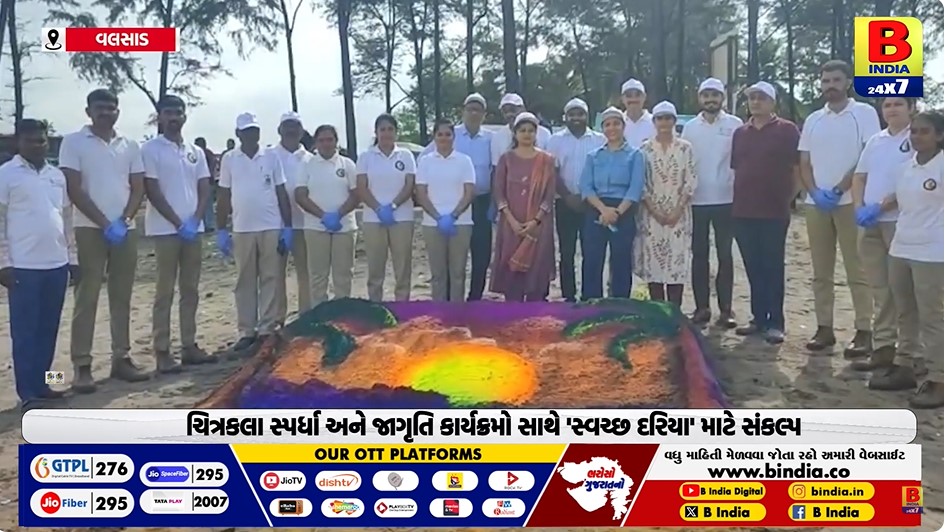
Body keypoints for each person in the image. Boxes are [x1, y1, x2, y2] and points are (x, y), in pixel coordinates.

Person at [58, 88, 149, 392]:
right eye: (100, 108)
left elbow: (137, 188)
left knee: (121, 295)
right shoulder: (73, 143)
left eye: (111, 108)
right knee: (87, 297)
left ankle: (121, 358)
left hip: (125, 230)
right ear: (89, 111)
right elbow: (74, 188)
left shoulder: (130, 145)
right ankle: (82, 365)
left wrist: (124, 220)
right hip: (89, 229)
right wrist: (103, 222)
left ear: (117, 112)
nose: (106, 112)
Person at [798, 60, 881, 356]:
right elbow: (804, 161)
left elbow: (866, 157)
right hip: (816, 204)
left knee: (857, 269)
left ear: (847, 83)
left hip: (849, 202)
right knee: (820, 271)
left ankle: (864, 330)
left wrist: (837, 189)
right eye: (825, 81)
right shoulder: (813, 120)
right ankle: (824, 328)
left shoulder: (864, 114)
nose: (830, 86)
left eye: (835, 80)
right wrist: (814, 192)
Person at [868, 111, 944, 408]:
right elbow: (897, 199)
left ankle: (939, 378)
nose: (916, 136)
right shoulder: (906, 168)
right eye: (913, 131)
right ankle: (904, 366)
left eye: (924, 132)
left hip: (934, 252)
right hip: (901, 247)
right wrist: (875, 207)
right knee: (905, 312)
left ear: (939, 136)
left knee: (933, 317)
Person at [0, 119, 77, 410]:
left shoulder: (56, 176)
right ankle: (27, 392)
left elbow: (66, 218)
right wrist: (3, 263)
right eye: (31, 140)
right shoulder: (6, 175)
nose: (38, 145)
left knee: (49, 329)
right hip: (23, 266)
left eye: (42, 140)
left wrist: (73, 258)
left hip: (56, 264)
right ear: (18, 142)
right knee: (25, 332)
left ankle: (45, 384)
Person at [142, 95, 217, 371]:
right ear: (160, 117)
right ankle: (162, 351)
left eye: (178, 112)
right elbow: (152, 189)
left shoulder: (194, 151)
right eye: (168, 113)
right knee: (164, 291)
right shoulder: (150, 149)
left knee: (190, 289)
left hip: (192, 230)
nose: (174, 117)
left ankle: (189, 345)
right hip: (164, 230)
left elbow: (205, 186)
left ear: (185, 116)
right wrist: (176, 221)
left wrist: (196, 219)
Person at [216, 112, 293, 353]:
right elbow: (224, 194)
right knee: (245, 281)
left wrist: (287, 226)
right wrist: (220, 229)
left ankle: (267, 328)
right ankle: (246, 331)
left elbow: (281, 191)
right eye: (246, 131)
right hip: (242, 228)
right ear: (238, 134)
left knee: (271, 278)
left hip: (271, 225)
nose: (251, 135)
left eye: (255, 131)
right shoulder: (230, 159)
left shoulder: (271, 156)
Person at [731, 82, 801, 344]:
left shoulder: (787, 130)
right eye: (752, 98)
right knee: (753, 267)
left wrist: (788, 198)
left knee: (773, 266)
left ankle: (776, 321)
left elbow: (797, 168)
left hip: (774, 211)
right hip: (743, 210)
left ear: (773, 102)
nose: (756, 102)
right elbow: (737, 169)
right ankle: (758, 318)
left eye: (761, 98)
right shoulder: (740, 133)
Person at [850, 97, 916, 371]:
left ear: (911, 108)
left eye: (898, 105)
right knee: (880, 287)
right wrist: (859, 208)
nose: (892, 109)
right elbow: (859, 176)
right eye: (887, 105)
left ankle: (911, 352)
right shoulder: (876, 140)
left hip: (899, 222)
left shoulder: (918, 138)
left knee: (905, 289)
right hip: (870, 224)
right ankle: (883, 347)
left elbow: (914, 181)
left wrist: (881, 206)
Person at [681, 78, 743, 327]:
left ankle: (726, 309)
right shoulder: (690, 128)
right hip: (696, 201)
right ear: (699, 98)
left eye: (715, 95)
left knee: (725, 255)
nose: (710, 100)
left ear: (723, 98)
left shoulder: (735, 125)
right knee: (699, 255)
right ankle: (701, 308)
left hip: (727, 200)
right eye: (706, 95)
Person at [420, 93, 493, 301]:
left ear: (484, 114)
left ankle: (471, 303)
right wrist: (438, 215)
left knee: (478, 258)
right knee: (441, 270)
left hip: (476, 205)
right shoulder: (440, 146)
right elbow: (422, 186)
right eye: (470, 108)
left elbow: (495, 168)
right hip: (437, 214)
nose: (473, 112)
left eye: (478, 109)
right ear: (463, 111)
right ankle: (441, 309)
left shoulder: (490, 138)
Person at [579, 106, 645, 300]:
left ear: (623, 126)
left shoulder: (635, 155)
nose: (612, 128)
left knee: (621, 259)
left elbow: (636, 187)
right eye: (607, 124)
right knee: (592, 258)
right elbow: (586, 186)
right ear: (602, 128)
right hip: (596, 209)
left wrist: (616, 213)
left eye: (616, 123)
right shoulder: (593, 156)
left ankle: (619, 304)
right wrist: (603, 210)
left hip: (623, 210)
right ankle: (591, 302)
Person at [635, 101, 697, 306]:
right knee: (654, 264)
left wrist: (677, 211)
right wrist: (655, 211)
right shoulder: (645, 149)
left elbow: (691, 181)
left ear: (674, 121)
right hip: (651, 216)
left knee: (676, 264)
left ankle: (674, 312)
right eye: (660, 118)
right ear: (654, 121)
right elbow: (640, 183)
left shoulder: (685, 148)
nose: (664, 122)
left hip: (678, 216)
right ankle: (658, 313)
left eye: (668, 118)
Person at [491, 112, 557, 302]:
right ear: (515, 133)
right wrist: (511, 220)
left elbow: (549, 195)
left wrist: (535, 221)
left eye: (531, 130)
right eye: (522, 130)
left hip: (538, 224)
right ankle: (513, 318)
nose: (527, 134)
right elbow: (499, 192)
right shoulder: (506, 159)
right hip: (511, 223)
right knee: (512, 270)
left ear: (537, 133)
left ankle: (535, 317)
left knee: (537, 268)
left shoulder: (546, 160)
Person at [547, 98, 605, 301]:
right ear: (566, 117)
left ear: (586, 115)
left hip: (593, 203)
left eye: (580, 113)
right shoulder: (555, 140)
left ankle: (591, 296)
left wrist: (588, 196)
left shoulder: (599, 139)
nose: (576, 118)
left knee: (592, 251)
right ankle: (568, 296)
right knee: (567, 252)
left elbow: (602, 170)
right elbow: (552, 172)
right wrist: (568, 197)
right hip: (565, 202)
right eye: (571, 114)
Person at [295, 125, 359, 306]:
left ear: (336, 141)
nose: (326, 144)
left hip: (344, 226)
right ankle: (320, 317)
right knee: (318, 276)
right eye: (321, 140)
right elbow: (300, 195)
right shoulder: (306, 164)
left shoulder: (347, 164)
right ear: (316, 143)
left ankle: (341, 316)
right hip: (316, 227)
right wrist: (323, 216)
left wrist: (338, 215)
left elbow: (356, 194)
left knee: (343, 275)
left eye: (329, 139)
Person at [356, 114, 417, 301]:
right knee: (375, 267)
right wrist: (378, 209)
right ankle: (376, 306)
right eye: (382, 129)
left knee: (402, 266)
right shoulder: (366, 157)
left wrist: (393, 206)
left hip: (402, 217)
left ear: (396, 132)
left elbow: (410, 184)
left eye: (390, 129)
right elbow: (361, 186)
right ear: (376, 132)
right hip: (374, 219)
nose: (386, 133)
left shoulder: (405, 155)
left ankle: (403, 306)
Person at [416, 119, 476, 301]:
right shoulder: (425, 161)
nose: (444, 138)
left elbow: (469, 191)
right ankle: (439, 314)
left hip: (461, 223)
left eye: (447, 134)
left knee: (458, 272)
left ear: (453, 137)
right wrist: (437, 217)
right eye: (440, 134)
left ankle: (456, 313)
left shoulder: (464, 161)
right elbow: (421, 193)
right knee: (438, 274)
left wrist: (453, 215)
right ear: (434, 137)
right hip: (432, 224)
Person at [270, 111, 312, 313]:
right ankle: (278, 317)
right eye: (287, 126)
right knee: (276, 274)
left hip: (304, 224)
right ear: (279, 130)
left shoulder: (310, 159)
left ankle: (306, 315)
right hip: (276, 225)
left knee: (307, 274)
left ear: (302, 131)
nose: (291, 130)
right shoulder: (270, 156)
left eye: (295, 126)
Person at [491, 93, 552, 167]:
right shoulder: (497, 137)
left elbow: (549, 165)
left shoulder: (544, 134)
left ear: (523, 109)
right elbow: (496, 167)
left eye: (512, 110)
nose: (509, 114)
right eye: (505, 111)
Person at [620, 78, 656, 148]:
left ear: (644, 97)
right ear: (622, 99)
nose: (633, 99)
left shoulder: (655, 122)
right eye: (628, 95)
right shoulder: (615, 124)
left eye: (637, 95)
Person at [194, 136, 217, 232]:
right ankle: (203, 223)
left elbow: (212, 165)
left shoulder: (207, 154)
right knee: (200, 204)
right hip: (197, 183)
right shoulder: (195, 153)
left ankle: (209, 224)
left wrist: (210, 175)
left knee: (207, 204)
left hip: (207, 182)